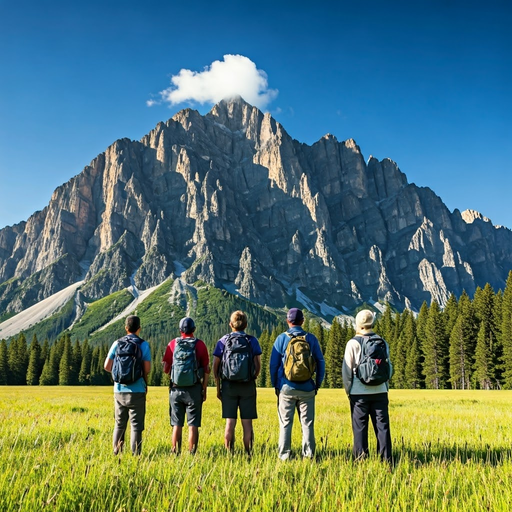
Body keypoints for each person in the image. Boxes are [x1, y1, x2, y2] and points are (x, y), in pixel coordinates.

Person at [269, 308, 325, 460]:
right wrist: (317, 384)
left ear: (288, 321)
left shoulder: (281, 339)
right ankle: (309, 456)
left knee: (285, 423)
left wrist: (276, 385)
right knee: (307, 423)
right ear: (302, 321)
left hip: (286, 388)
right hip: (307, 388)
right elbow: (320, 362)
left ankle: (284, 456)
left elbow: (273, 365)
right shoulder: (311, 339)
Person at [342, 309, 393, 462]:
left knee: (360, 428)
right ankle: (386, 460)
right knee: (382, 428)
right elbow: (388, 368)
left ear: (358, 324)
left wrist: (349, 390)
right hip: (380, 391)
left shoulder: (353, 343)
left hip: (359, 393)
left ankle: (360, 460)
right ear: (372, 323)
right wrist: (385, 386)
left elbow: (347, 371)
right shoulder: (382, 342)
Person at [212, 310, 262, 456]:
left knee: (230, 422)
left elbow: (216, 365)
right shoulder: (252, 341)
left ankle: (229, 454)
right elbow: (257, 364)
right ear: (245, 324)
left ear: (230, 324)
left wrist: (218, 385)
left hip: (228, 385)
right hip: (248, 385)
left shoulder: (223, 340)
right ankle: (248, 453)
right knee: (247, 424)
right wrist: (253, 377)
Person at [104, 315, 151, 455]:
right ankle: (135, 457)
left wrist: (120, 374)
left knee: (119, 424)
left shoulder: (116, 343)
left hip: (119, 390)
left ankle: (116, 453)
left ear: (126, 328)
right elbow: (147, 369)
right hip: (137, 390)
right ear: (139, 329)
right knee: (136, 426)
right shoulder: (143, 344)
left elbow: (106, 366)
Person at [162, 317, 210, 454]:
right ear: (194, 329)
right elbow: (206, 369)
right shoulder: (200, 345)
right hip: (194, 389)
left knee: (177, 423)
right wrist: (204, 388)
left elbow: (166, 368)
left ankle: (175, 451)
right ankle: (192, 453)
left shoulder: (172, 344)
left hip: (176, 389)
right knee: (193, 424)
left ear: (180, 330)